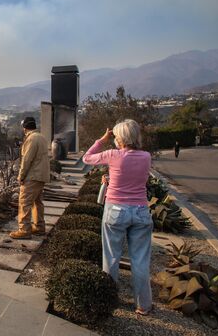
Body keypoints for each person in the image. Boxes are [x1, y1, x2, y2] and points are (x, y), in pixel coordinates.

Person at [82, 119, 153, 315]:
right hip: (140, 210)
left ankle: (109, 299)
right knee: (140, 260)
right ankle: (143, 305)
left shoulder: (113, 155)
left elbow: (86, 158)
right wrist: (113, 178)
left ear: (119, 138)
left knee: (111, 257)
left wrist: (102, 139)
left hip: (116, 210)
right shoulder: (146, 157)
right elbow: (136, 179)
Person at [10, 116, 50, 240]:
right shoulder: (42, 137)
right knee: (37, 202)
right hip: (41, 175)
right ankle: (39, 227)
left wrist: (21, 176)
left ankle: (24, 230)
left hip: (32, 175)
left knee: (24, 202)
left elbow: (27, 160)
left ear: (24, 127)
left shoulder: (31, 139)